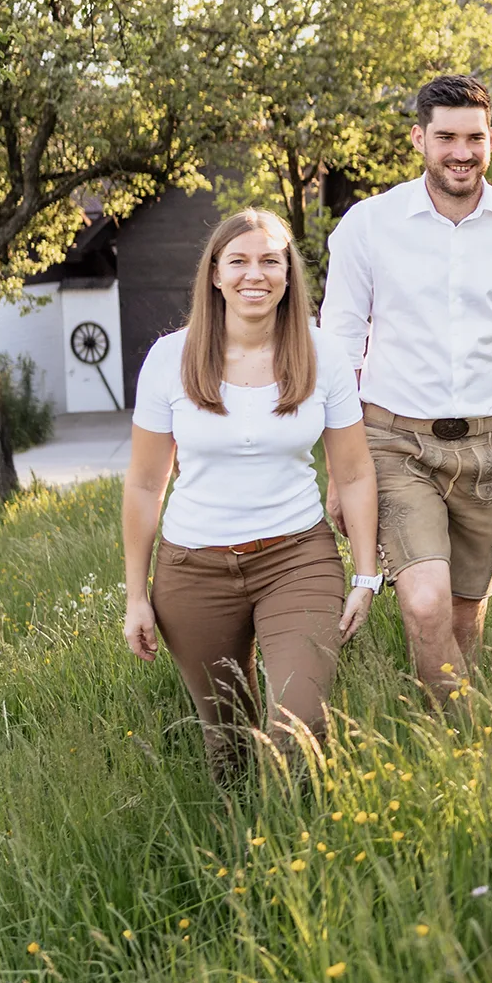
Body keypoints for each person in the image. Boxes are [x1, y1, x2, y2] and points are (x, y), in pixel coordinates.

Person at [321, 74, 492, 705]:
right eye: (446, 137)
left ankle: (440, 741)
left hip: (491, 450)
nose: (461, 152)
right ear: (419, 139)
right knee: (424, 603)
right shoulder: (367, 226)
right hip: (394, 443)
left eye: (474, 138)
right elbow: (340, 349)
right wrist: (339, 469)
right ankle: (475, 743)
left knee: (461, 614)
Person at [121, 209, 379, 781]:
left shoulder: (322, 355)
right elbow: (143, 484)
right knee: (229, 744)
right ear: (214, 274)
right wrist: (136, 595)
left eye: (269, 260)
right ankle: (246, 849)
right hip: (193, 572)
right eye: (237, 261)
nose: (253, 274)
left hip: (297, 559)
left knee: (300, 723)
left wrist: (366, 575)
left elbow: (356, 473)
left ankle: (307, 847)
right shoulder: (170, 358)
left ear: (289, 274)